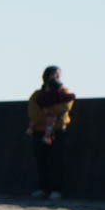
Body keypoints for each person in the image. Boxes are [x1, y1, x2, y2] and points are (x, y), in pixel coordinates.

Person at [27, 64, 76, 200]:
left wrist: (47, 111)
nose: (56, 78)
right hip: (39, 131)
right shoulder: (37, 94)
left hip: (57, 130)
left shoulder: (64, 92)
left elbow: (65, 107)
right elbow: (33, 112)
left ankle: (57, 189)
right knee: (41, 161)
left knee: (57, 161)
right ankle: (43, 188)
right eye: (54, 75)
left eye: (58, 75)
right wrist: (47, 115)